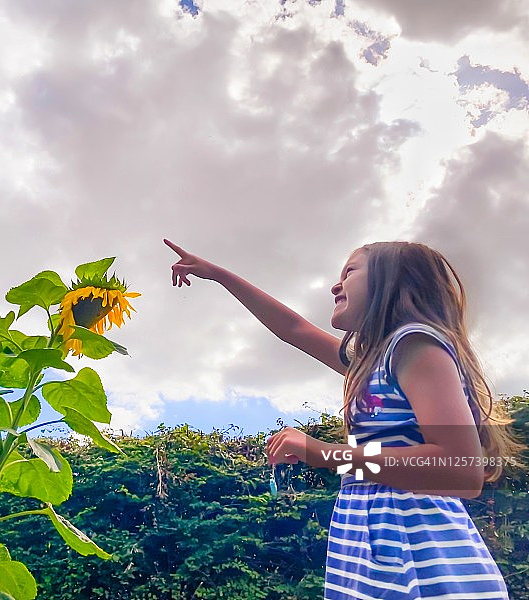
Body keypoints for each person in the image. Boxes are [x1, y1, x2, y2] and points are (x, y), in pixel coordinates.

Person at [165, 238, 521, 599]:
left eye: (349, 272)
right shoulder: (372, 363)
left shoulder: (412, 344)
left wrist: (325, 453)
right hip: (370, 551)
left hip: (422, 558)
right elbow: (294, 329)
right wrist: (219, 275)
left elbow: (461, 469)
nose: (335, 286)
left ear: (391, 280)